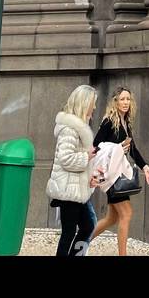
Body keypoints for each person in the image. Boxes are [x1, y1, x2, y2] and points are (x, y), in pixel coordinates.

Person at [90, 87, 149, 257]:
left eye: (128, 99)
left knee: (112, 218)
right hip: (110, 176)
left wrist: (145, 167)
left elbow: (132, 149)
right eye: (122, 99)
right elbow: (95, 146)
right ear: (115, 102)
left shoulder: (125, 122)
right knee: (127, 213)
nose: (125, 102)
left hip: (118, 175)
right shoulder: (109, 121)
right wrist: (114, 150)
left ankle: (80, 242)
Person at [46, 84, 102, 257]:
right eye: (92, 103)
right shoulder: (70, 129)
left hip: (77, 189)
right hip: (69, 190)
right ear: (83, 104)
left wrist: (91, 175)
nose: (94, 107)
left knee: (87, 226)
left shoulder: (79, 128)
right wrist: (88, 156)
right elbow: (66, 159)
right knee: (70, 232)